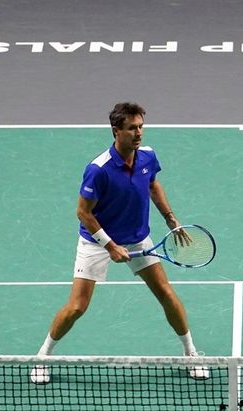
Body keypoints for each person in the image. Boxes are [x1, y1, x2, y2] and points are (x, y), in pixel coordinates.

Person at [30, 102, 209, 383]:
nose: (139, 133)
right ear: (116, 131)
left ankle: (191, 353)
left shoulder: (148, 157)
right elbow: (83, 212)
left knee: (166, 294)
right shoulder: (98, 170)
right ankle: (42, 357)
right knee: (77, 307)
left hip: (137, 239)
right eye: (132, 128)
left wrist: (170, 218)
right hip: (96, 241)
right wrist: (109, 245)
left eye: (141, 127)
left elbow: (152, 185)